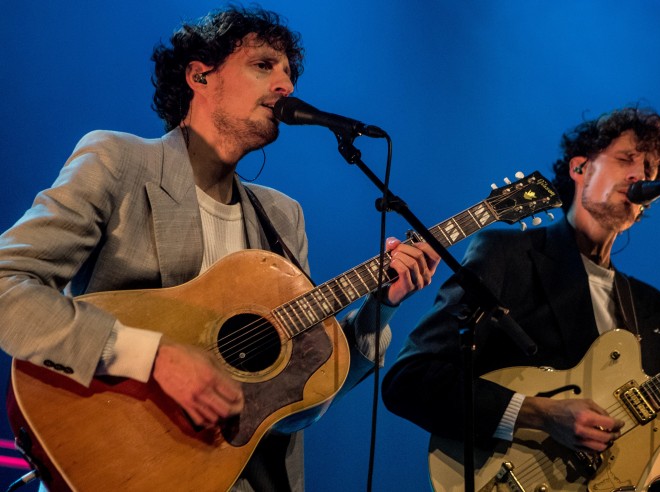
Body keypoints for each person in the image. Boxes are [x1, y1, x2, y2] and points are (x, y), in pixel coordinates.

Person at [0, 6, 439, 492]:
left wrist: (380, 308)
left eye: (289, 73)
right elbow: (6, 287)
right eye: (263, 65)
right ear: (200, 75)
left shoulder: (283, 217)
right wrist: (153, 356)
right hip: (118, 463)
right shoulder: (117, 163)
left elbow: (298, 402)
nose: (286, 87)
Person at [381, 105, 660, 491]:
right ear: (580, 167)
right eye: (627, 160)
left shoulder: (657, 309)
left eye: (653, 174)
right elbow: (410, 381)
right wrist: (538, 413)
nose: (641, 178)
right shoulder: (508, 255)